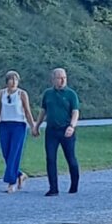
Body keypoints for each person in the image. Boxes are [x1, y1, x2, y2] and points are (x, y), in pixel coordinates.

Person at [0, 70, 37, 193]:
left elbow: (27, 111)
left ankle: (11, 182)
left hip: (18, 126)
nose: (13, 82)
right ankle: (20, 174)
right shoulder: (1, 93)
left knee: (14, 153)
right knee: (6, 153)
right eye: (11, 79)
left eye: (16, 80)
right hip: (5, 125)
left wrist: (33, 126)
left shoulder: (22, 94)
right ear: (7, 81)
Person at [40, 67, 80, 196]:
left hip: (66, 130)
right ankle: (53, 188)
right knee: (51, 158)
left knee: (71, 158)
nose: (62, 80)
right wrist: (36, 125)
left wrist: (72, 126)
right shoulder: (48, 94)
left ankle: (74, 185)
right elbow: (43, 111)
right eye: (59, 78)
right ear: (53, 79)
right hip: (51, 131)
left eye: (64, 78)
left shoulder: (71, 94)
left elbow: (75, 112)